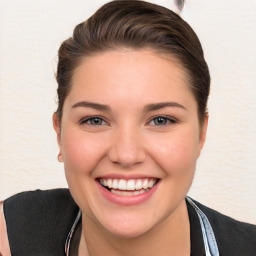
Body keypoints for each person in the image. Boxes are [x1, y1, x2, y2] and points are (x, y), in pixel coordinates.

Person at [0, 1, 255, 255]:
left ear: (201, 134)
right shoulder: (10, 236)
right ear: (59, 134)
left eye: (160, 120)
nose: (126, 154)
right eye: (95, 120)